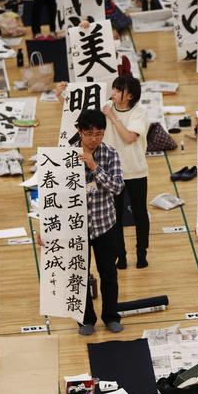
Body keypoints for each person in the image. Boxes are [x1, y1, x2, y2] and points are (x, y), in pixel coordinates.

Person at [75, 109, 125, 335]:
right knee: (80, 274)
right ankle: (85, 319)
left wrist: (94, 167)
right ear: (79, 132)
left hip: (105, 223)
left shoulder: (110, 154)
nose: (94, 138)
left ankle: (111, 316)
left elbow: (117, 187)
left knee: (109, 274)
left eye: (99, 133)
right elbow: (51, 194)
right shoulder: (65, 156)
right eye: (88, 134)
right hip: (76, 227)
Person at [102, 74, 151, 270]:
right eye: (113, 89)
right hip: (112, 172)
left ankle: (141, 253)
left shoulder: (139, 111)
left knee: (140, 214)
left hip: (136, 170)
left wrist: (112, 117)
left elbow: (129, 137)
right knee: (115, 217)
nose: (113, 93)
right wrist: (62, 96)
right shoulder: (105, 106)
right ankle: (120, 255)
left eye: (117, 90)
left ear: (129, 96)